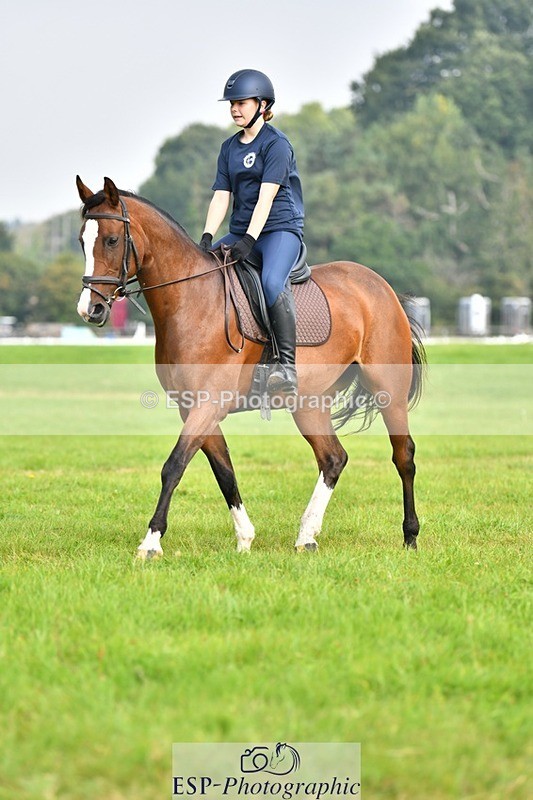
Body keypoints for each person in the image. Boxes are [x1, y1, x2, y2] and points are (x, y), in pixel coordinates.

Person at [199, 69, 305, 395]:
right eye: (231, 103)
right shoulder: (228, 148)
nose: (234, 109)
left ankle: (286, 367)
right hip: (242, 233)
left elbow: (266, 197)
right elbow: (221, 195)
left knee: (272, 282)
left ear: (262, 104)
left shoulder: (277, 145)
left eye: (241, 102)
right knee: (204, 273)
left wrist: (248, 239)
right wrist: (206, 237)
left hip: (279, 231)